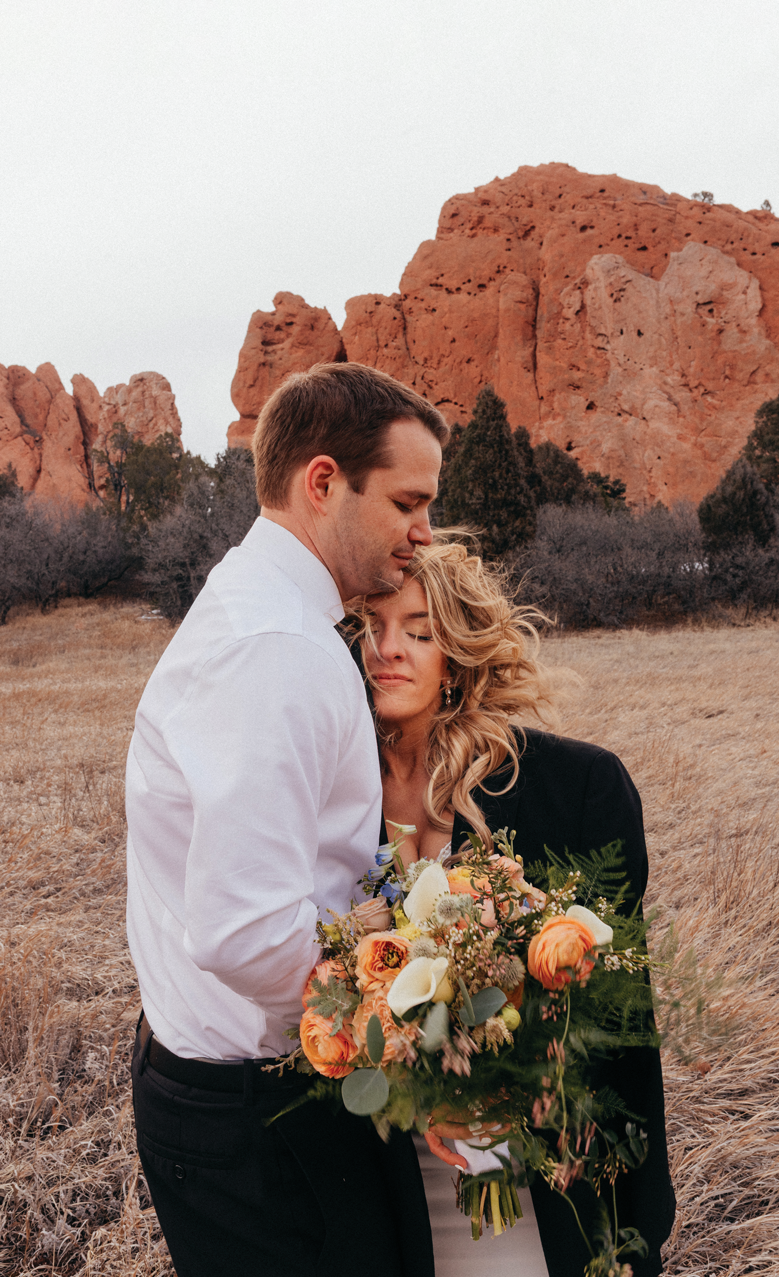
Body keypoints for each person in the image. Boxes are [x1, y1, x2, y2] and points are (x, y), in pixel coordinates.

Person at [126, 362, 449, 1277]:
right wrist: (415, 1020)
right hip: (256, 1118)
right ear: (323, 483)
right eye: (408, 502)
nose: (426, 532)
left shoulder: (261, 606)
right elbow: (244, 932)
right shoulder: (278, 647)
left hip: (226, 1095)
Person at [347, 535, 676, 1277]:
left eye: (419, 632)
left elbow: (617, 1016)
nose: (386, 650)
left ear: (457, 656)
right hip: (394, 1181)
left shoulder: (576, 788)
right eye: (371, 627)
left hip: (544, 1177)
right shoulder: (331, 796)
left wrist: (501, 1080)